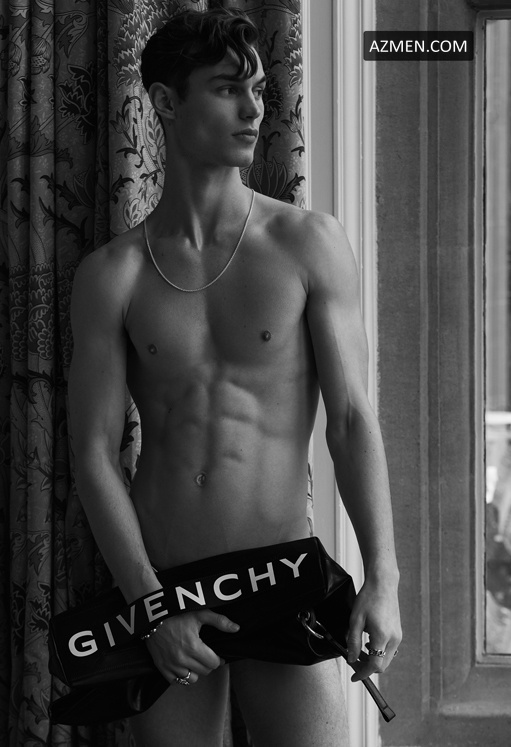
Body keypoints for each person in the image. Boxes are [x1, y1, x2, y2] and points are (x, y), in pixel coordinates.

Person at [68, 7, 401, 746]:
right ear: (165, 101)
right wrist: (150, 606)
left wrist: (383, 577)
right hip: (166, 584)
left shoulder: (307, 243)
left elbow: (350, 420)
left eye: (258, 90)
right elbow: (92, 452)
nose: (254, 110)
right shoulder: (112, 274)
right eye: (227, 89)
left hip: (282, 576)